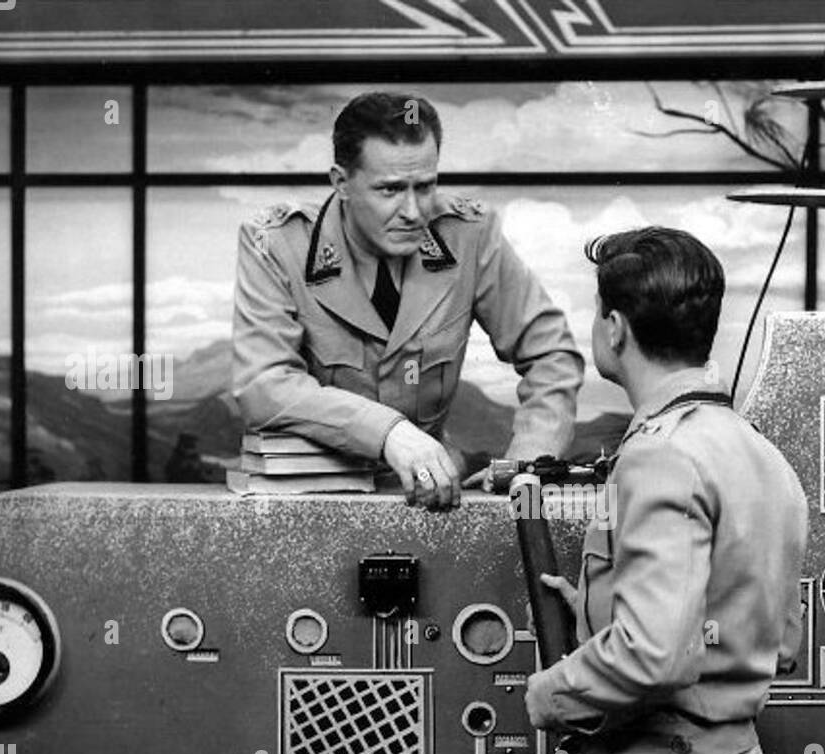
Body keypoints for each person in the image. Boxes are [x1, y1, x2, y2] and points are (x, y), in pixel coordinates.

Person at [524, 227, 809, 754]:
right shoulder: (758, 454)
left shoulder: (658, 454)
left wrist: (549, 694)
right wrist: (596, 607)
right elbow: (780, 642)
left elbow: (655, 656)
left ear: (612, 329)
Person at [231, 92, 584, 510]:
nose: (414, 211)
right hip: (311, 499)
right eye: (391, 189)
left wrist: (528, 464)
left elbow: (550, 355)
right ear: (341, 182)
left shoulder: (469, 234)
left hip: (431, 497)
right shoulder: (276, 243)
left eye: (426, 186)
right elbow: (264, 385)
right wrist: (389, 433)